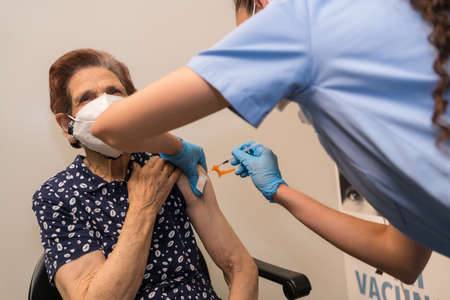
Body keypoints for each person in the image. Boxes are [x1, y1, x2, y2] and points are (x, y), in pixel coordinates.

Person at [90, 0, 449, 283]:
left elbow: (111, 128)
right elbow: (401, 258)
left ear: (261, 7)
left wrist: (178, 148)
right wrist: (278, 189)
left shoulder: (296, 20)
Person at [32, 49, 258, 300]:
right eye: (86, 98)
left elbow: (240, 268)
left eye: (115, 92)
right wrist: (143, 207)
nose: (105, 104)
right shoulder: (57, 196)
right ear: (68, 126)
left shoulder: (169, 164)